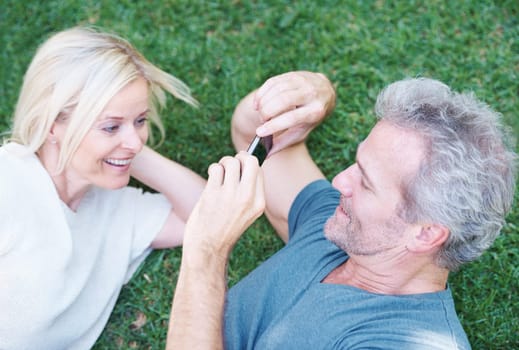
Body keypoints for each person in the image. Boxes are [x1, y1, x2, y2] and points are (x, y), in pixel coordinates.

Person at [166, 71, 517, 349]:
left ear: (425, 232)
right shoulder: (339, 226)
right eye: (356, 163)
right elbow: (254, 140)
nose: (339, 182)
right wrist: (315, 89)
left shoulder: (401, 342)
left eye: (366, 182)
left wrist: (206, 253)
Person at [0, 26, 208, 349]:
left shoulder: (117, 208)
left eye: (140, 120)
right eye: (110, 126)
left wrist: (124, 149)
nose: (137, 139)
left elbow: (210, 218)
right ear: (54, 124)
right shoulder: (9, 180)